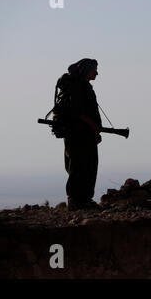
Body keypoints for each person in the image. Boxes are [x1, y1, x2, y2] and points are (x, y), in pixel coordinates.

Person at [61, 58, 102, 210]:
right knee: (77, 166)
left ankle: (85, 199)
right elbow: (78, 113)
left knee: (90, 165)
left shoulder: (85, 87)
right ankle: (74, 200)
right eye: (94, 70)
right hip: (77, 134)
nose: (97, 73)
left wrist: (95, 132)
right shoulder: (77, 87)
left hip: (87, 134)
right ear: (86, 70)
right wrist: (94, 126)